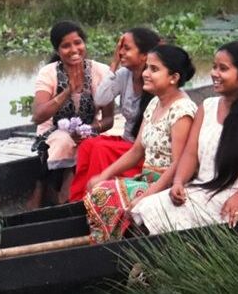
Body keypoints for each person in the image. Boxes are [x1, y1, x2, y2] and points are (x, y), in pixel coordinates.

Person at [131, 41, 238, 233]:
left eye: (223, 69)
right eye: (214, 66)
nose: (214, 74)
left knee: (154, 214)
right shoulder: (207, 107)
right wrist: (178, 182)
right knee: (145, 208)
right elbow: (190, 153)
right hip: (204, 188)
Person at [84, 44, 197, 243]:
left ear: (174, 77)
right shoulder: (155, 102)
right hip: (147, 179)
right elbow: (137, 151)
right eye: (147, 67)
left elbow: (179, 164)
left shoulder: (182, 111)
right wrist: (104, 174)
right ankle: (110, 244)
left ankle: (112, 246)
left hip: (168, 185)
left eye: (154, 69)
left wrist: (147, 195)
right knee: (100, 189)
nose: (145, 73)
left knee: (105, 195)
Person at [68, 27, 161, 201]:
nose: (121, 52)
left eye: (127, 48)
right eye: (120, 48)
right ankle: (80, 198)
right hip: (126, 142)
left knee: (100, 149)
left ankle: (97, 198)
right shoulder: (124, 75)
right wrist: (113, 64)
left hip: (140, 149)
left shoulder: (156, 82)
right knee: (88, 145)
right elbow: (101, 99)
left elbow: (143, 144)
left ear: (144, 55)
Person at [29, 20, 114, 208]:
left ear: (84, 44)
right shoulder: (48, 73)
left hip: (88, 131)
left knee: (92, 144)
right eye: (66, 46)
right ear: (58, 50)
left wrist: (90, 129)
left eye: (78, 43)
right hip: (52, 133)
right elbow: (38, 116)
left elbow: (108, 120)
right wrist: (67, 91)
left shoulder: (101, 71)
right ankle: (60, 196)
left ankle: (69, 196)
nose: (74, 49)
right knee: (63, 141)